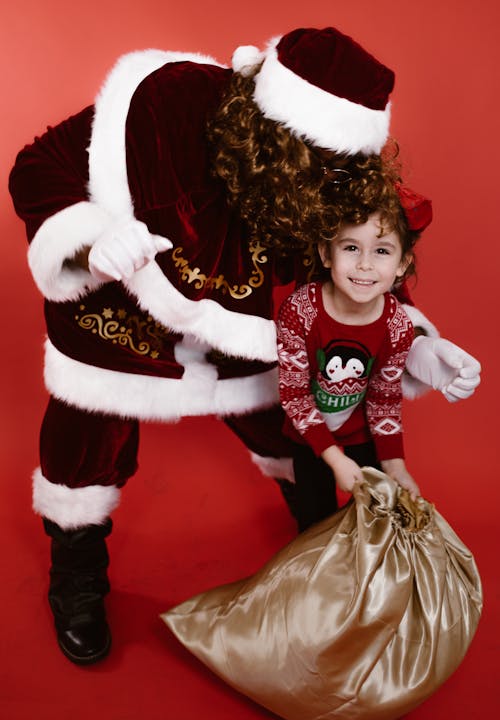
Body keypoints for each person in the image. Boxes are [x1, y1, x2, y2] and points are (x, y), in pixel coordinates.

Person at [9, 27, 480, 665]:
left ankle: (318, 553)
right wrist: (92, 239)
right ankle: (77, 569)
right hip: (124, 316)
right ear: (275, 129)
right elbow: (38, 166)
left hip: (248, 335)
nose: (332, 181)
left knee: (288, 425)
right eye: (317, 159)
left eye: (343, 165)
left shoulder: (340, 180)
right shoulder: (167, 109)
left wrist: (418, 343)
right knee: (85, 439)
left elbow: (361, 276)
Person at [277, 180, 429, 531]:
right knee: (315, 521)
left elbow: (384, 399)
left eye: (381, 251)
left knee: (381, 514)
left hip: (363, 432)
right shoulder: (300, 311)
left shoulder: (396, 324)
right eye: (350, 247)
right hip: (310, 434)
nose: (364, 265)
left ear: (403, 262)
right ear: (326, 253)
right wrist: (333, 460)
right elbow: (295, 395)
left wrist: (395, 464)